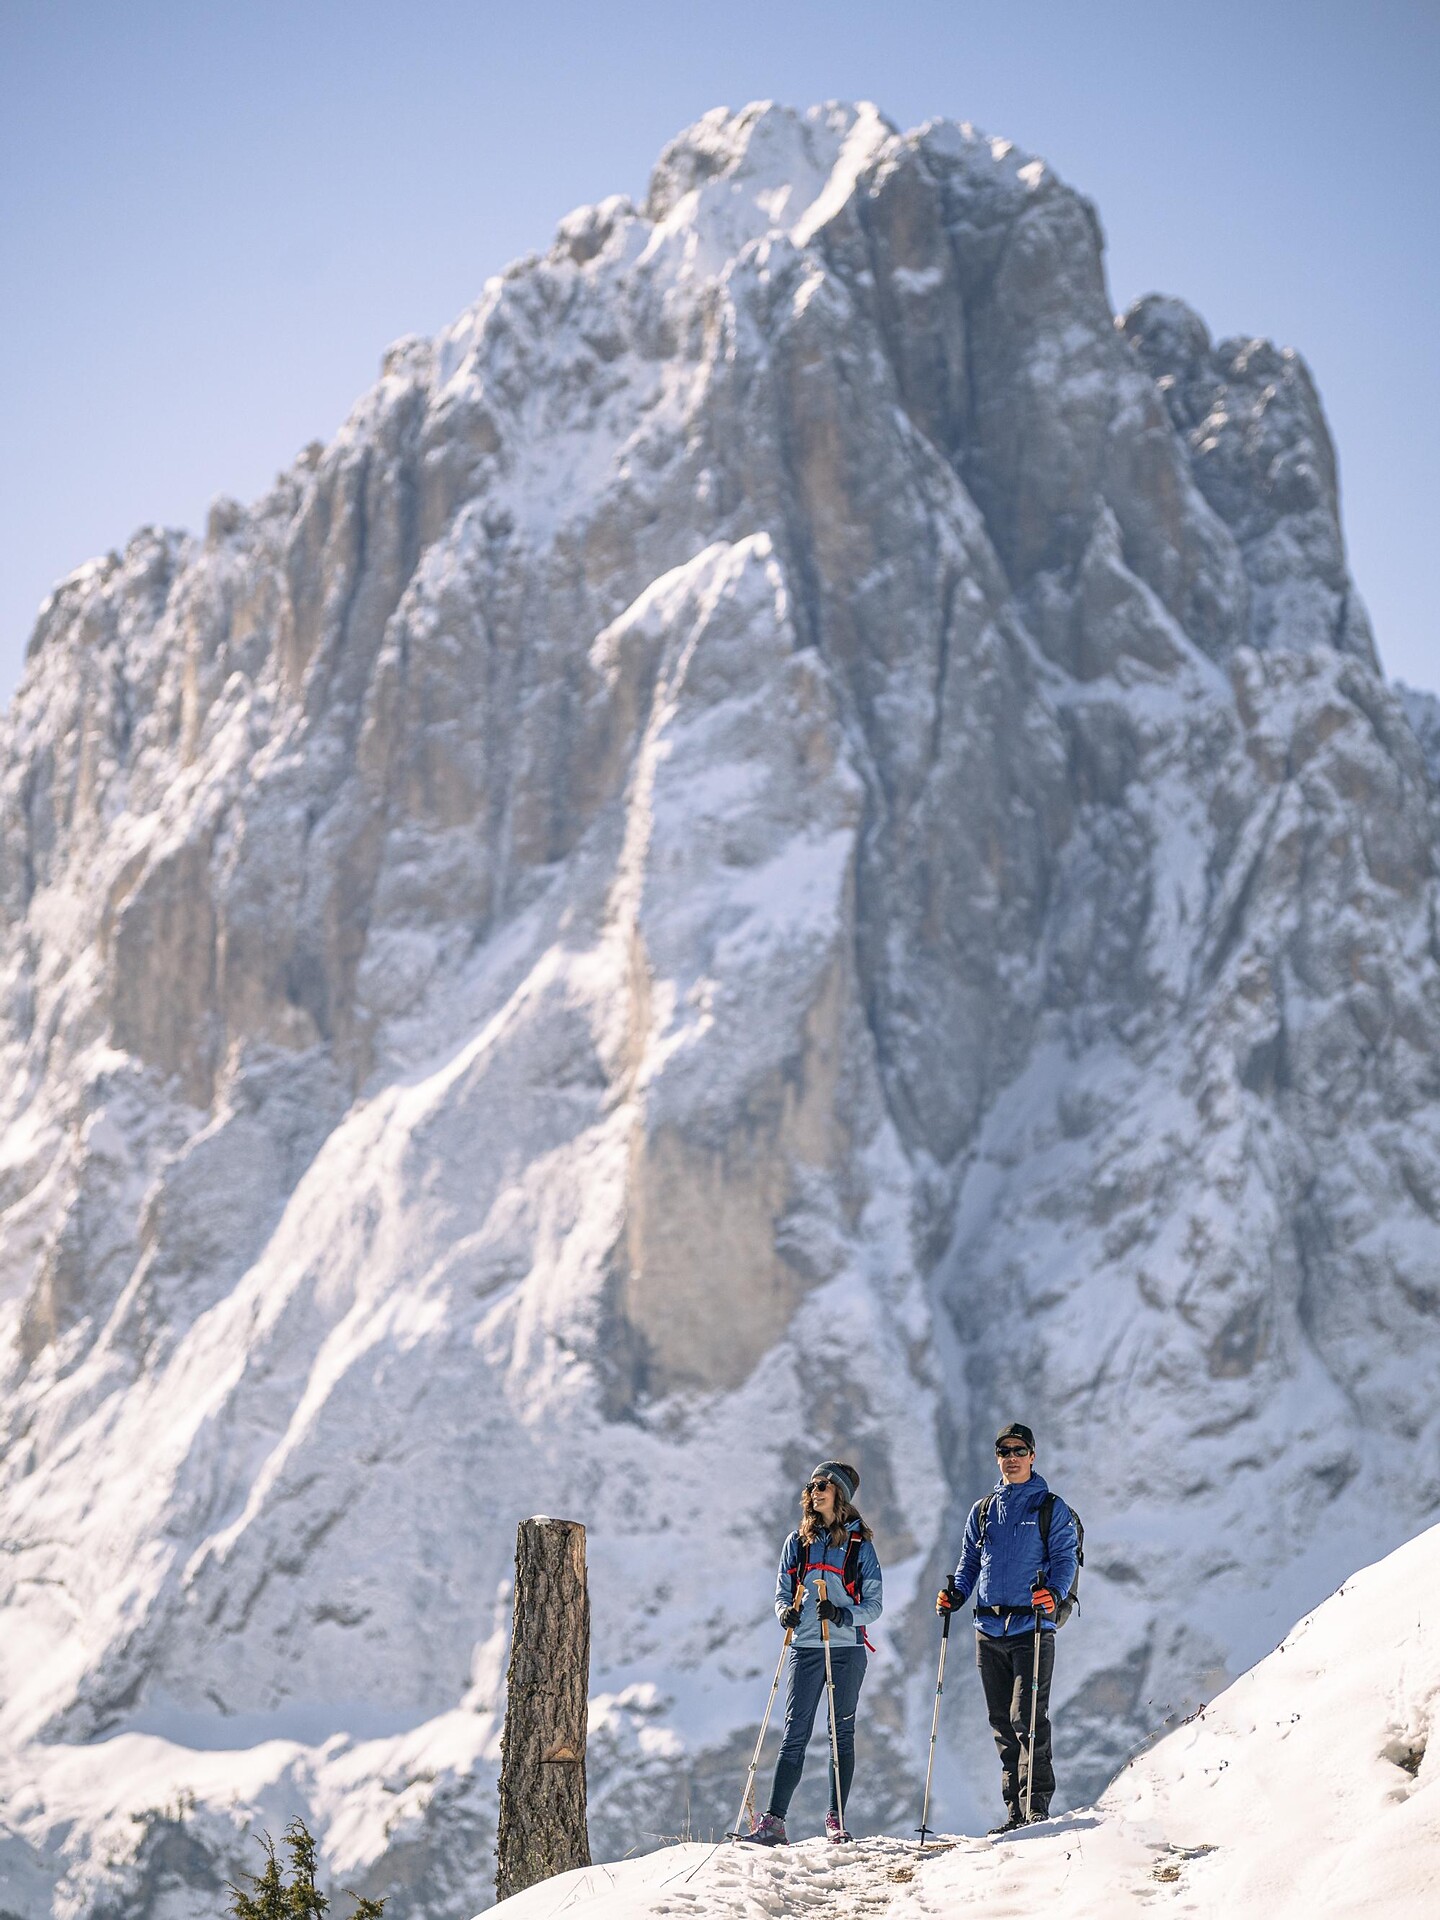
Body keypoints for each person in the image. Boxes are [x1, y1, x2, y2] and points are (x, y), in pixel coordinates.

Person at [936, 1422, 1079, 1832]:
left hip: (1032, 1627)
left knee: (1027, 1717)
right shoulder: (983, 1510)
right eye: (1004, 1450)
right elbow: (969, 1564)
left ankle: (1036, 1808)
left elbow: (1065, 1559)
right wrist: (956, 1596)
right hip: (988, 1627)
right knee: (1002, 1722)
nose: (1012, 1457)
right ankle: (1014, 1814)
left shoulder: (1051, 1507)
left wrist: (1053, 1592)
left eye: (1019, 1450)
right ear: (997, 1457)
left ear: (1033, 1456)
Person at [740, 1460, 883, 1846]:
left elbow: (874, 1605)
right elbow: (781, 1595)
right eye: (813, 1484)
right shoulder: (796, 1543)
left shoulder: (858, 1546)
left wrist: (841, 1614)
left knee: (841, 1734)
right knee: (795, 1734)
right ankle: (774, 1822)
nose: (815, 1490)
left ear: (840, 1495)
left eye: (824, 1485)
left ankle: (835, 1819)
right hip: (805, 1646)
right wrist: (784, 1612)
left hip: (845, 1649)